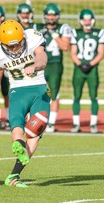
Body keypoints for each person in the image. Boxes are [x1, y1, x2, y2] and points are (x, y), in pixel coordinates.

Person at [0, 20, 50, 187]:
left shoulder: (32, 38)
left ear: (23, 37)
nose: (15, 49)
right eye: (11, 47)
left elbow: (43, 58)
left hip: (39, 89)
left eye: (18, 45)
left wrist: (35, 65)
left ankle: (14, 174)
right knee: (16, 122)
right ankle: (18, 144)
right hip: (17, 89)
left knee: (36, 132)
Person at [70, 9, 104, 133]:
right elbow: (73, 53)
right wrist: (80, 64)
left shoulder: (99, 33)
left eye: (89, 19)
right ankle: (76, 124)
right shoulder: (75, 32)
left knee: (94, 96)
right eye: (85, 19)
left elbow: (101, 53)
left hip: (92, 69)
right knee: (76, 96)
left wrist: (90, 64)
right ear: (80, 21)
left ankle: (93, 124)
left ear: (93, 20)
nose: (87, 22)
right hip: (79, 68)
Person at [40, 3, 71, 133]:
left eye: (53, 14)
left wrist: (55, 36)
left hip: (55, 64)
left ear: (57, 16)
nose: (51, 17)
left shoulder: (63, 28)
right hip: (41, 63)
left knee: (54, 92)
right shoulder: (39, 28)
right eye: (49, 14)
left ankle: (51, 122)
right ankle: (34, 119)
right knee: (36, 91)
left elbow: (65, 47)